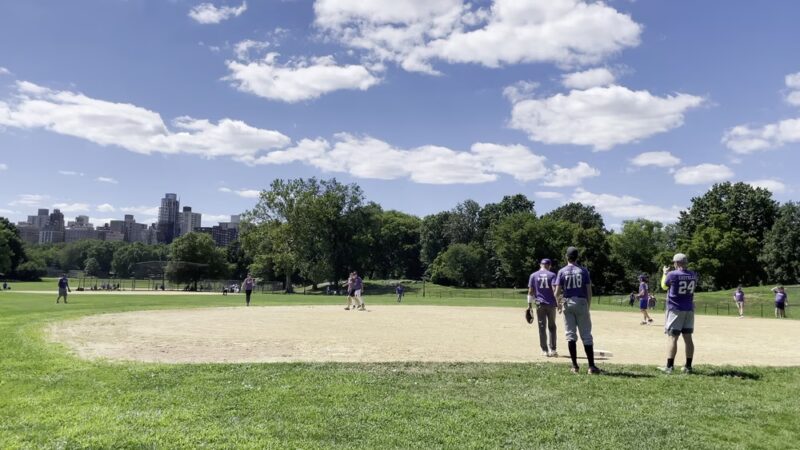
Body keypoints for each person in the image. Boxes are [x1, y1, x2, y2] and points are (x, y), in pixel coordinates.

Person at [553, 247, 601, 375]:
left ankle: (575, 366)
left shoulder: (562, 271)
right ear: (577, 257)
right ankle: (591, 367)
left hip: (567, 303)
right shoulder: (583, 271)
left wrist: (558, 304)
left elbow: (557, 292)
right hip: (581, 302)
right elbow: (589, 291)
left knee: (570, 334)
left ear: (566, 257)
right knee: (586, 335)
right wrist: (588, 306)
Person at [660, 253, 698, 374]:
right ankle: (688, 366)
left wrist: (665, 273)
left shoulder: (672, 274)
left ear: (676, 263)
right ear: (686, 262)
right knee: (688, 338)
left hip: (675, 309)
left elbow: (664, 286)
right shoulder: (693, 274)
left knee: (672, 338)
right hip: (689, 309)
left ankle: (669, 367)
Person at [528, 258, 558, 357]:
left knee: (542, 327)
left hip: (540, 304)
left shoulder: (533, 275)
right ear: (549, 265)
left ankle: (545, 350)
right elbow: (555, 290)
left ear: (540, 265)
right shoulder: (552, 275)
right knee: (552, 327)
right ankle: (553, 350)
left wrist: (529, 306)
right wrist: (559, 302)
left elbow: (531, 291)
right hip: (551, 305)